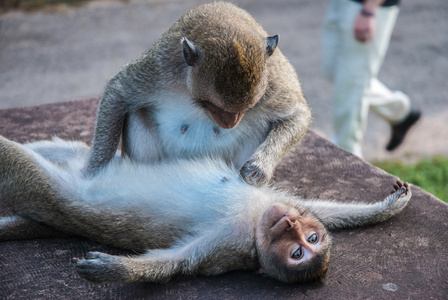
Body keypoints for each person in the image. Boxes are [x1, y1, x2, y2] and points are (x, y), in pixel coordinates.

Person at [321, 0, 421, 158]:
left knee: (353, 82)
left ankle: (348, 154)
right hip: (342, 3)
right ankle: (399, 111)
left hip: (365, 8)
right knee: (335, 71)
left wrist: (369, 10)